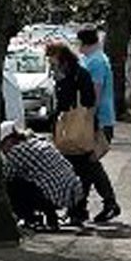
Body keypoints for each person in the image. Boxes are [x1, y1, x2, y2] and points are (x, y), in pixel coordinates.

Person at [0, 121, 84, 231]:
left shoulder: (16, 151)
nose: (2, 150)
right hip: (71, 192)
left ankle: (31, 219)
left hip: (54, 195)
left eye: (2, 145)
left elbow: (5, 177)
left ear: (10, 140)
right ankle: (51, 218)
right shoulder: (38, 141)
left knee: (13, 186)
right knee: (34, 180)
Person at [46, 41, 95, 225]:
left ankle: (78, 210)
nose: (50, 61)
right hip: (70, 127)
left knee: (79, 170)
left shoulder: (74, 74)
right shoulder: (69, 73)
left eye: (51, 56)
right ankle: (76, 209)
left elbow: (85, 99)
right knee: (77, 170)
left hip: (74, 126)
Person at [77, 28, 121, 222]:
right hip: (98, 118)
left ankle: (109, 203)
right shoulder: (93, 59)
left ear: (85, 43)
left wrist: (88, 120)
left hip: (99, 119)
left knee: (90, 163)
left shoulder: (96, 62)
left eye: (79, 44)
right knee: (86, 164)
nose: (78, 48)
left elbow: (95, 92)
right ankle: (79, 207)